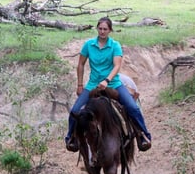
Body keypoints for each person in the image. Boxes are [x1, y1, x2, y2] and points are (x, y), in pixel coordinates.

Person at [65, 17, 152, 152]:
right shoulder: (89, 45)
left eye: (105, 29)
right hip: (92, 84)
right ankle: (71, 138)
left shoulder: (115, 45)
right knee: (75, 111)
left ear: (110, 30)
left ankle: (143, 136)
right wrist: (80, 85)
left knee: (132, 107)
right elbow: (80, 64)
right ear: (97, 29)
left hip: (114, 83)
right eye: (100, 28)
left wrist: (106, 80)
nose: (102, 31)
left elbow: (117, 66)